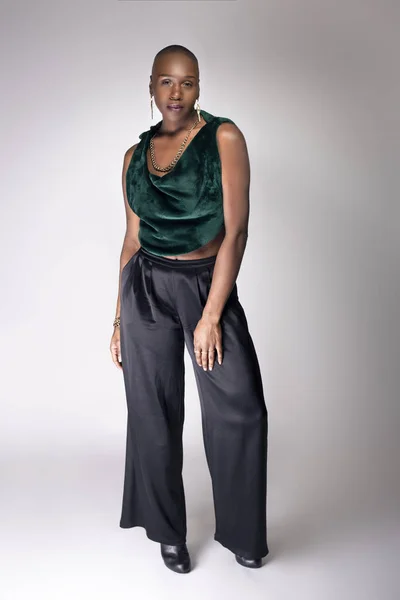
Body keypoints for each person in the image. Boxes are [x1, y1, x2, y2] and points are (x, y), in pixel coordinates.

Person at [110, 44, 269, 574]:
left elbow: (237, 231)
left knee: (240, 408)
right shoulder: (134, 157)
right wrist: (116, 319)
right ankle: (168, 532)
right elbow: (132, 239)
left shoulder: (224, 137)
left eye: (188, 82)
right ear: (151, 85)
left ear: (198, 87)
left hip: (206, 284)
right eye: (166, 82)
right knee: (152, 412)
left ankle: (244, 533)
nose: (176, 93)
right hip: (146, 288)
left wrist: (210, 315)